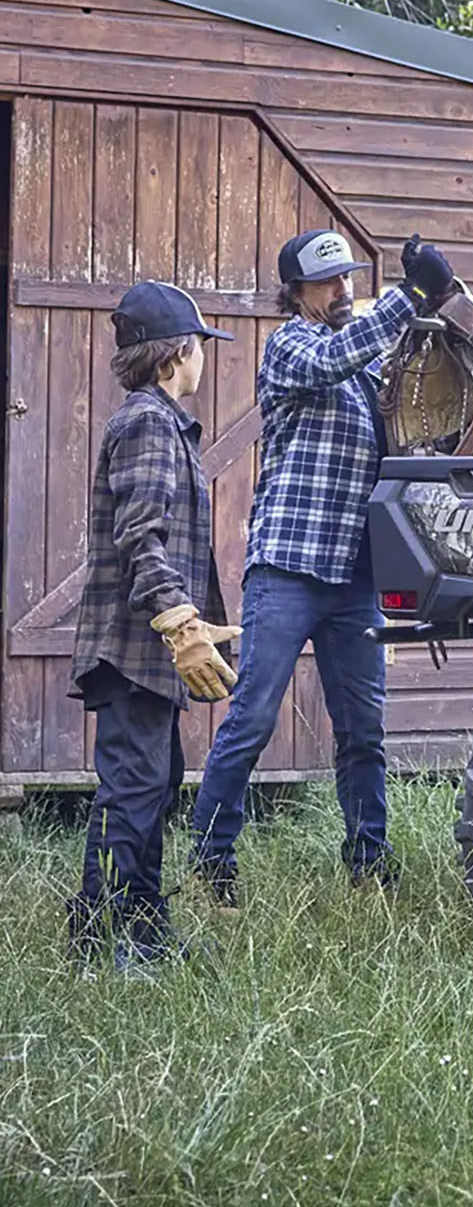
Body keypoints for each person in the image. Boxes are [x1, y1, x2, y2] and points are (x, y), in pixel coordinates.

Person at [187, 229, 454, 904]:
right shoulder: (292, 348)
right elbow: (336, 355)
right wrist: (412, 296)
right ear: (297, 292)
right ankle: (211, 864)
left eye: (346, 280)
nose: (341, 292)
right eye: (326, 283)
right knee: (250, 720)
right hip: (289, 566)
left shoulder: (369, 364)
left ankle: (370, 866)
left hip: (355, 578)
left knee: (363, 731)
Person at [67, 282, 242, 970]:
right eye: (200, 347)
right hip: (136, 645)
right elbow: (143, 536)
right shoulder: (145, 422)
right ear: (178, 353)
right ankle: (99, 939)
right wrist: (179, 623)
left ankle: (143, 924)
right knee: (132, 790)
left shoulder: (161, 423)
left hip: (149, 654)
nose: (204, 360)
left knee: (155, 782)